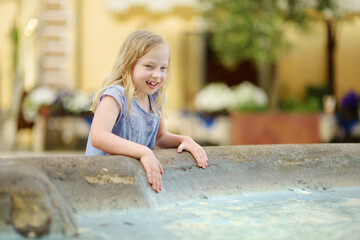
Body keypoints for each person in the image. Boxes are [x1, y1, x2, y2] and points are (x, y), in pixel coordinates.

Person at [85, 30, 208, 193]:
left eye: (163, 68)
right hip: (100, 182)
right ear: (129, 65)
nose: (157, 75)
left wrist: (184, 140)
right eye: (149, 66)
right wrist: (143, 152)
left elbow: (159, 138)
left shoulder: (154, 98)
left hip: (131, 182)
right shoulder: (116, 96)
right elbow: (99, 136)